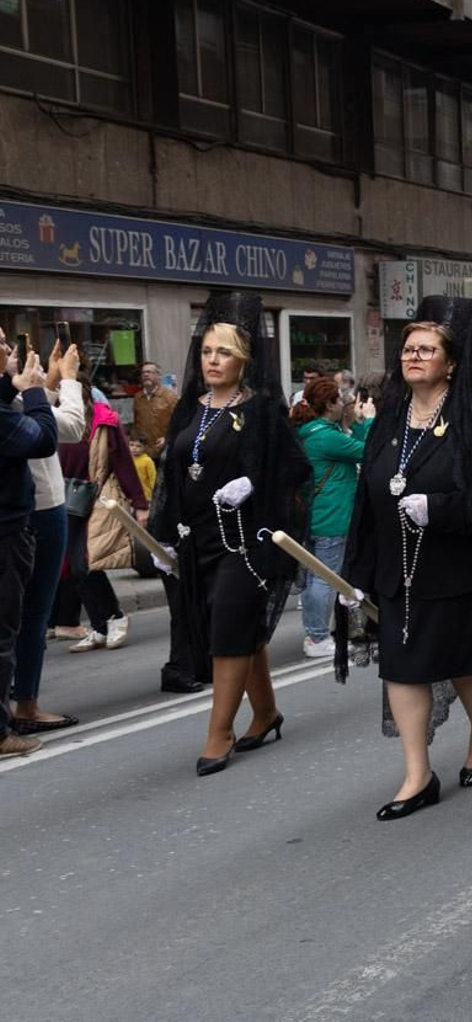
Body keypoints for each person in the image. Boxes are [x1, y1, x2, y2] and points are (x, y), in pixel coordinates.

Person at [336, 296, 472, 820]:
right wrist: (356, 573)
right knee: (402, 672)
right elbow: (366, 501)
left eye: (426, 349)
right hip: (397, 573)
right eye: (408, 349)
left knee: (466, 667)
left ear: (450, 363)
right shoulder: (385, 423)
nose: (413, 357)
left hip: (457, 573)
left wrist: (441, 509)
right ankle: (418, 772)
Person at [146, 292, 310, 775]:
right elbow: (173, 475)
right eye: (207, 351)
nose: (214, 361)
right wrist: (162, 536)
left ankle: (219, 731)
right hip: (195, 537)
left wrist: (253, 482)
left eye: (225, 353)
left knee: (227, 626)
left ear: (244, 360)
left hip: (243, 538)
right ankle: (265, 711)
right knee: (235, 625)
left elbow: (296, 468)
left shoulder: (260, 411)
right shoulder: (188, 408)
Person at [7, 340, 86, 735]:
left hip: (26, 509)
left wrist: (46, 381)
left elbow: (39, 411)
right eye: (3, 344)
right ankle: (26, 704)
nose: (11, 348)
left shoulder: (10, 390)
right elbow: (65, 428)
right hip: (37, 508)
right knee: (32, 611)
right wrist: (69, 380)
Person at [56, 365, 148, 653]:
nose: (63, 395)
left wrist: (140, 504)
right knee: (73, 569)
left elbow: (123, 463)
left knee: (86, 562)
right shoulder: (55, 419)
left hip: (98, 496)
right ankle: (98, 627)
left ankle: (116, 617)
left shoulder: (104, 420)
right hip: (65, 499)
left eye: (68, 388)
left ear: (83, 391)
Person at [0, 340, 57, 759]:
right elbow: (44, 439)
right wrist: (37, 391)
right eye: (0, 343)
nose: (8, 347)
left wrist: (10, 387)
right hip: (6, 532)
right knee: (4, 634)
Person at [291, 378, 373, 657]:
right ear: (329, 405)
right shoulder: (326, 436)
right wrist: (366, 422)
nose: (344, 405)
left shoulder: (307, 431)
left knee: (313, 578)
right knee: (324, 578)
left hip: (312, 515)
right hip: (332, 515)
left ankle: (314, 634)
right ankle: (317, 637)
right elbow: (369, 452)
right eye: (340, 400)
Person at [133, 360, 179, 460]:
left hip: (163, 450)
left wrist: (167, 439)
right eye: (143, 372)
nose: (146, 375)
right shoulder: (138, 398)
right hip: (143, 452)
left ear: (158, 376)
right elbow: (136, 423)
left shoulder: (170, 397)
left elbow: (179, 423)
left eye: (149, 372)